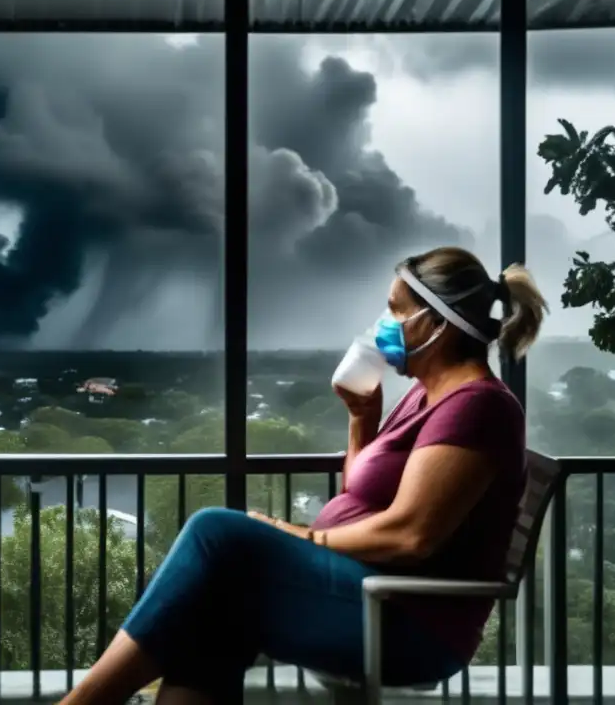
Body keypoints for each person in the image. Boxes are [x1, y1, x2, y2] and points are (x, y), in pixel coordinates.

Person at [59, 246, 548, 705]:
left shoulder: (479, 408)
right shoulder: (425, 396)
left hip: (410, 623)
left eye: (397, 310)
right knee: (212, 613)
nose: (385, 323)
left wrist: (300, 535)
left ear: (438, 323)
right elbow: (363, 492)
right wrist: (362, 419)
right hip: (365, 594)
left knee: (216, 534)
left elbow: (410, 535)